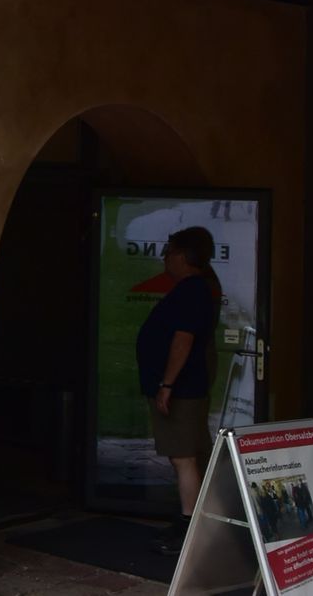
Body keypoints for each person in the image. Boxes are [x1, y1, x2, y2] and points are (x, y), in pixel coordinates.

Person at [136, 226, 217, 556]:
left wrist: (167, 384)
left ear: (182, 256)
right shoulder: (196, 289)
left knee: (184, 458)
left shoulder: (192, 291)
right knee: (186, 456)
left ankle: (189, 528)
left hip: (182, 390)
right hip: (185, 388)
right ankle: (190, 522)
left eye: (168, 252)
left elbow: (182, 340)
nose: (165, 258)